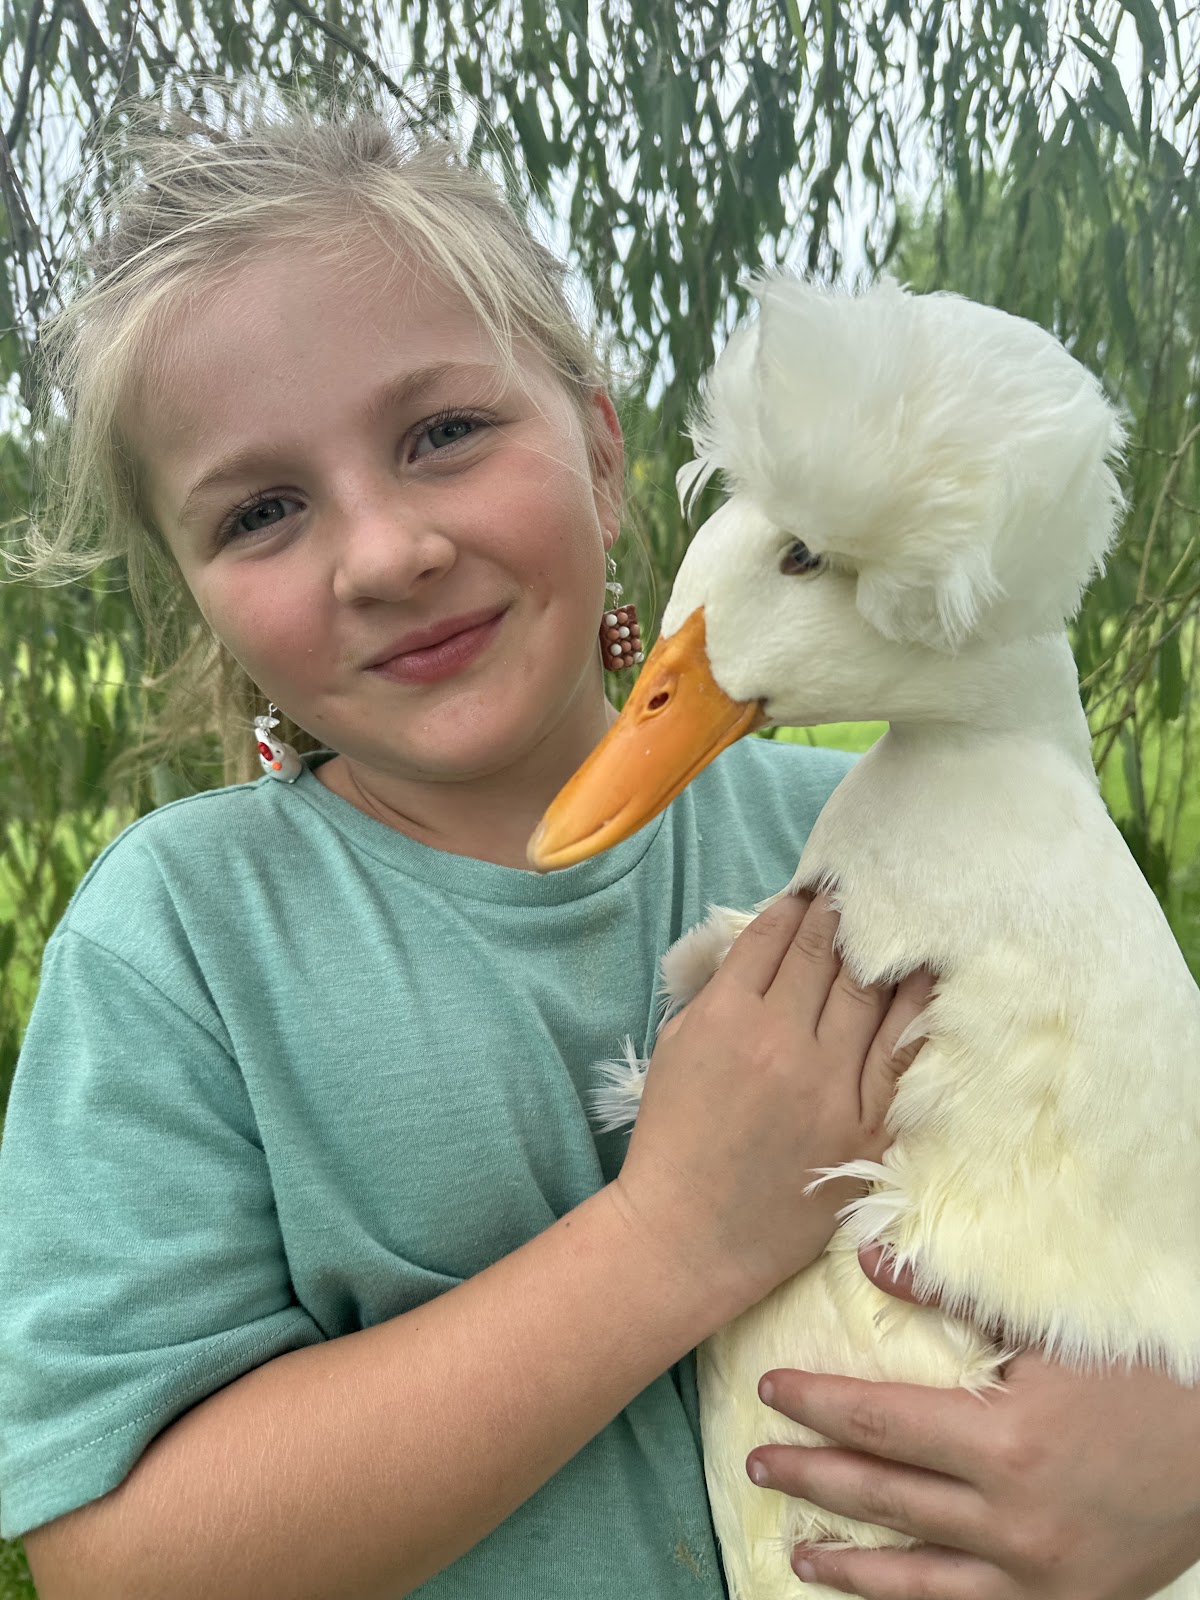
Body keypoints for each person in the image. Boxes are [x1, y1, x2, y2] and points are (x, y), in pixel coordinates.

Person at [0, 95, 1197, 1600]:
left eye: (443, 433)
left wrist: (1182, 1467)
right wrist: (672, 1240)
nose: (386, 552)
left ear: (602, 445)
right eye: (261, 511)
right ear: (188, 590)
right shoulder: (178, 945)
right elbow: (118, 1562)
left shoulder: (850, 828)